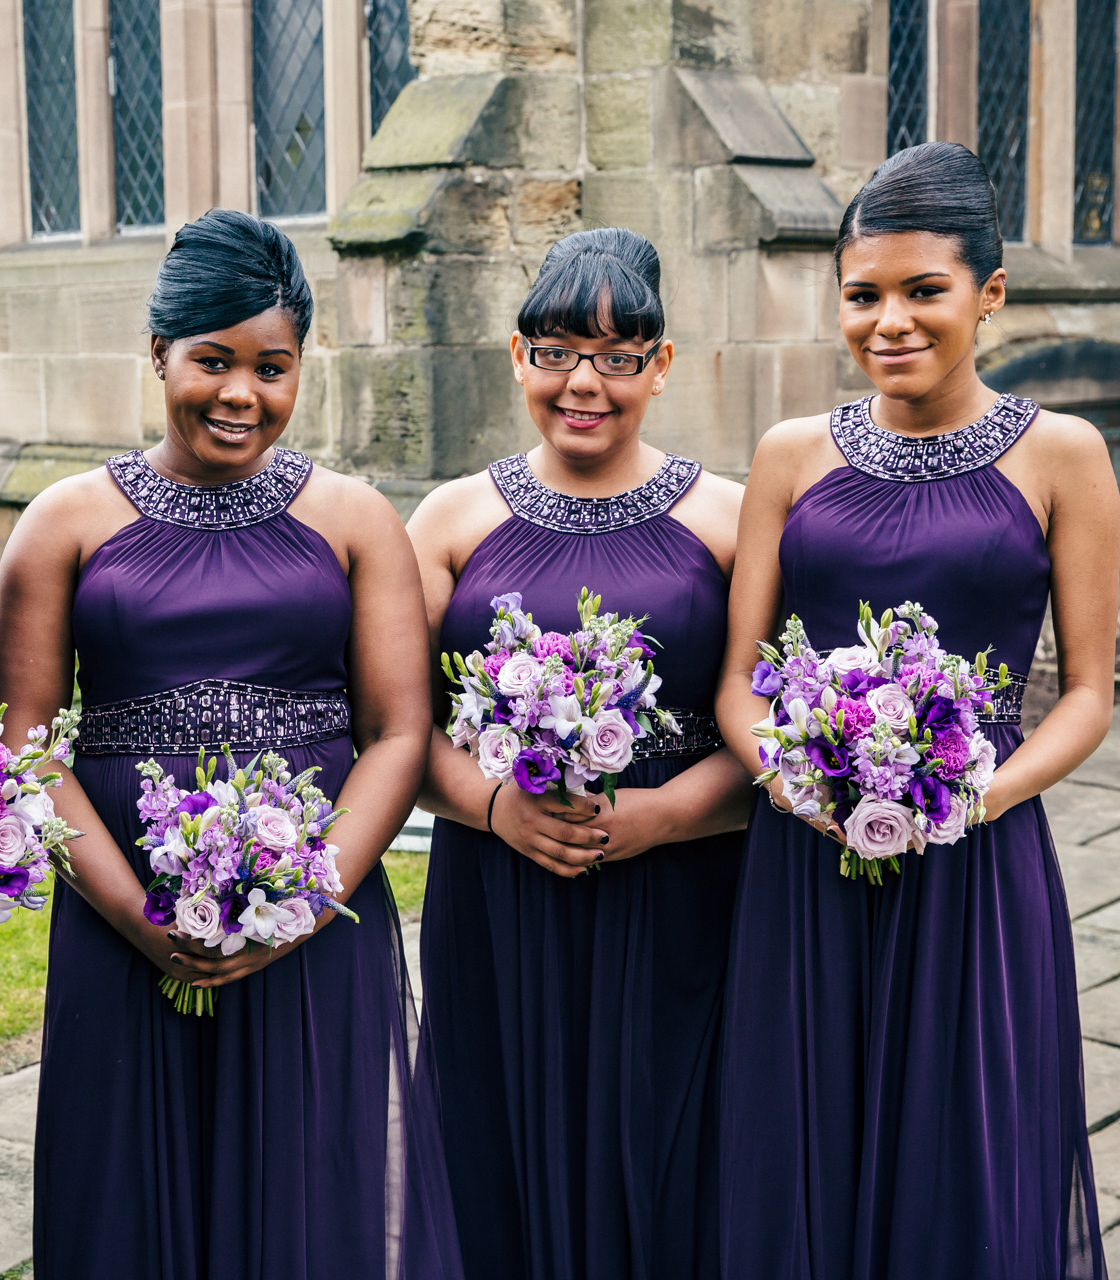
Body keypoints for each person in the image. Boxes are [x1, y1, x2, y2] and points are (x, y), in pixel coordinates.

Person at [0, 208, 460, 1280]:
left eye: (272, 365)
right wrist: (138, 916)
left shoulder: (354, 519)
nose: (240, 392)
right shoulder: (63, 521)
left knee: (307, 1191)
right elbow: (25, 743)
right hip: (122, 915)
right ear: (158, 353)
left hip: (315, 919)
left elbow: (396, 731)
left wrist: (303, 894)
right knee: (128, 1193)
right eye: (212, 359)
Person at [713, 142, 1118, 1280]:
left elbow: (1089, 690)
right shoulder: (789, 455)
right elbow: (738, 682)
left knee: (963, 1147)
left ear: (989, 293)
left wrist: (979, 793)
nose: (888, 320)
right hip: (807, 856)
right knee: (809, 1136)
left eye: (923, 290)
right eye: (863, 294)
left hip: (978, 858)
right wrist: (804, 785)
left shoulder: (1065, 454)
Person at [405, 227, 754, 1279]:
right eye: (554, 350)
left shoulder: (734, 518)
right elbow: (394, 725)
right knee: (500, 1147)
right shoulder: (450, 519)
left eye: (616, 353)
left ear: (662, 364)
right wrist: (494, 806)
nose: (583, 381)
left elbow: (769, 725)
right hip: (500, 893)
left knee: (676, 1152)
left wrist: (668, 812)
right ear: (517, 359)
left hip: (687, 893)